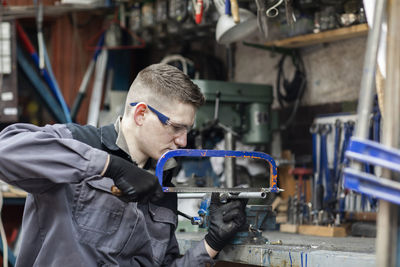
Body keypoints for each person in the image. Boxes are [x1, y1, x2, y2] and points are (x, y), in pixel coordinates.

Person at [0, 63, 247, 266]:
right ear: (141, 114)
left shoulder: (162, 188)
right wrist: (109, 166)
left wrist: (211, 244)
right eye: (175, 127)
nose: (183, 140)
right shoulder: (79, 142)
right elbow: (5, 150)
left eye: (187, 130)